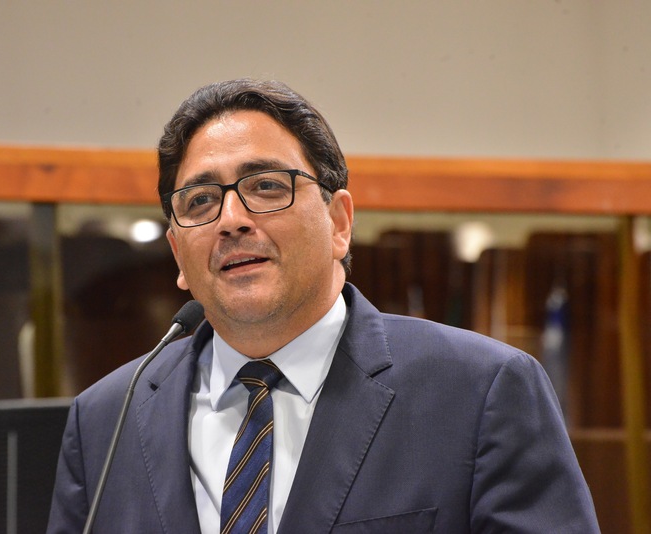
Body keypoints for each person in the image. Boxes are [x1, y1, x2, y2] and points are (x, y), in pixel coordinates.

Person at [47, 79, 599, 533]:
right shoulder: (105, 420)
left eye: (266, 186)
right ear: (178, 255)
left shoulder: (480, 392)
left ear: (339, 223)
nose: (232, 219)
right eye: (201, 200)